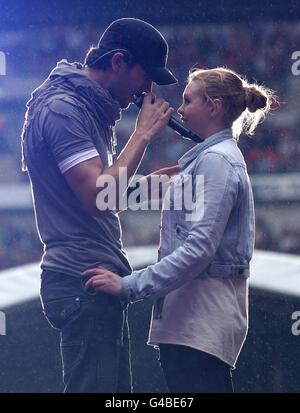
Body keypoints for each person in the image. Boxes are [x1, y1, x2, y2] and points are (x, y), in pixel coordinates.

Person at [83, 67, 275, 393]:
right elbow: (110, 197)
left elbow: (199, 250)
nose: (180, 109)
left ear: (213, 107)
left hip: (199, 324)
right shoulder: (209, 160)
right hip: (192, 326)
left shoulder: (217, 161)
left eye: (187, 101)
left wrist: (128, 286)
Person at [21, 18, 178, 393]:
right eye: (146, 76)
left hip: (93, 280)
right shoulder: (64, 109)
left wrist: (147, 188)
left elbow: (99, 196)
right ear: (119, 62)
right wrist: (142, 134)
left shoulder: (86, 106)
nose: (148, 90)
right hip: (82, 282)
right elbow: (96, 197)